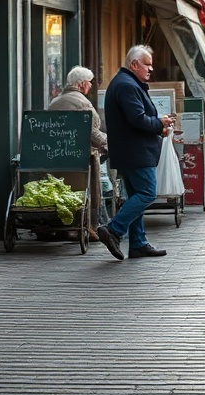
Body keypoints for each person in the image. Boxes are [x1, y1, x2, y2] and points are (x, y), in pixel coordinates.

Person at [97, 45, 175, 260]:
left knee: (135, 195)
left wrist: (159, 124)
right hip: (136, 152)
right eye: (147, 64)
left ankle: (138, 243)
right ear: (134, 64)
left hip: (129, 151)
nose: (151, 69)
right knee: (148, 193)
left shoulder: (126, 83)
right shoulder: (127, 85)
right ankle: (113, 228)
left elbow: (135, 117)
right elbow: (137, 119)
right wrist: (158, 123)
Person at [48, 66, 108, 240]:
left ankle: (64, 225)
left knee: (63, 191)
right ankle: (86, 226)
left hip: (58, 156)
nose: (90, 87)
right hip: (81, 157)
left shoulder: (56, 101)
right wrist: (108, 142)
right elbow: (91, 132)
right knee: (84, 190)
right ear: (82, 84)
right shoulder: (82, 102)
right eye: (89, 83)